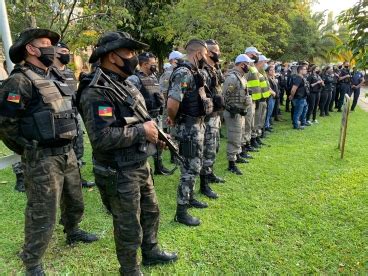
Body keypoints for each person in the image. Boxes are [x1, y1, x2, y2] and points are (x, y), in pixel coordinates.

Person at [78, 31, 178, 275]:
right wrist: (142, 132)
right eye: (130, 53)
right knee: (127, 225)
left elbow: (138, 120)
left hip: (138, 163)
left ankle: (151, 251)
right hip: (118, 170)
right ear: (113, 56)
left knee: (151, 211)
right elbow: (101, 138)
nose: (135, 58)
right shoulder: (97, 90)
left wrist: (156, 136)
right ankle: (130, 269)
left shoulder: (123, 84)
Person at [0, 28, 98, 275]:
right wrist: (26, 148)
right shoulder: (19, 80)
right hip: (42, 157)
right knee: (42, 211)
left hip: (67, 153)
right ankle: (32, 261)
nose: (52, 48)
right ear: (31, 49)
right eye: (45, 43)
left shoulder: (54, 74)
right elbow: (5, 123)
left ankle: (72, 231)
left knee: (74, 199)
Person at [167, 39, 213, 226]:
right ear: (198, 54)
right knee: (189, 168)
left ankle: (191, 197)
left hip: (196, 126)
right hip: (187, 128)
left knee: (196, 164)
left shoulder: (194, 72)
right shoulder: (183, 73)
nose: (207, 58)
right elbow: (172, 103)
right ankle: (181, 211)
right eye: (206, 54)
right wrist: (174, 118)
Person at [47, 41, 95, 188]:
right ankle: (61, 182)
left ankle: (77, 179)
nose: (66, 55)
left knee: (78, 148)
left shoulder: (69, 72)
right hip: (58, 118)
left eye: (68, 52)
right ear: (54, 52)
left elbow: (75, 94)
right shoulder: (48, 73)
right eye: (63, 52)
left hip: (74, 115)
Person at [127, 52, 170, 175]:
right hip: (144, 119)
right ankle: (145, 168)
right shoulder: (134, 79)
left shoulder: (153, 77)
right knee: (145, 145)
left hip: (157, 116)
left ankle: (159, 166)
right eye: (153, 64)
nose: (155, 66)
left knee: (159, 142)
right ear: (145, 64)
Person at [222, 54, 254, 175]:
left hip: (240, 112)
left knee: (239, 135)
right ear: (242, 64)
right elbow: (224, 97)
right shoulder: (232, 78)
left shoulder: (242, 77)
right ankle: (231, 163)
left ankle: (237, 155)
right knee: (234, 137)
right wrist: (232, 109)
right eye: (248, 64)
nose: (250, 66)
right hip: (233, 113)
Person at [200, 39, 225, 189]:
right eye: (216, 50)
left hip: (216, 116)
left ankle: (210, 173)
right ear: (208, 53)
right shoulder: (203, 72)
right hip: (208, 118)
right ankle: (204, 184)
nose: (219, 53)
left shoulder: (214, 69)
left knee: (214, 147)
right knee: (207, 150)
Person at [244, 46, 262, 150]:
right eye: (256, 54)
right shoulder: (246, 66)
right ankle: (246, 145)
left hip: (254, 99)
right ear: (251, 54)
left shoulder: (252, 66)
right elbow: (243, 82)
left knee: (251, 123)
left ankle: (250, 142)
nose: (257, 56)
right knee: (247, 124)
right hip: (248, 99)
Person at [254, 54, 273, 142]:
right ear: (260, 62)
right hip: (258, 100)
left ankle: (258, 136)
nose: (265, 64)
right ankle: (254, 139)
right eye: (264, 62)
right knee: (256, 121)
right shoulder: (254, 73)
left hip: (264, 99)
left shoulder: (262, 72)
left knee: (261, 121)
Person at [289, 65, 310, 130]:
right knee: (297, 112)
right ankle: (296, 125)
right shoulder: (298, 78)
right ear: (300, 70)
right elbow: (293, 89)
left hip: (303, 98)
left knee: (304, 111)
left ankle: (303, 123)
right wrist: (292, 96)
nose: (306, 70)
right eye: (304, 69)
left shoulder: (302, 77)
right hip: (299, 98)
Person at [265, 65, 279, 132]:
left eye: (273, 70)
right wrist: (273, 93)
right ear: (267, 71)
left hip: (273, 97)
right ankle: (266, 126)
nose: (273, 71)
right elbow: (268, 88)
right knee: (268, 112)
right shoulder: (267, 79)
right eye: (271, 70)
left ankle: (268, 125)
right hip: (270, 97)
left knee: (270, 112)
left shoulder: (272, 78)